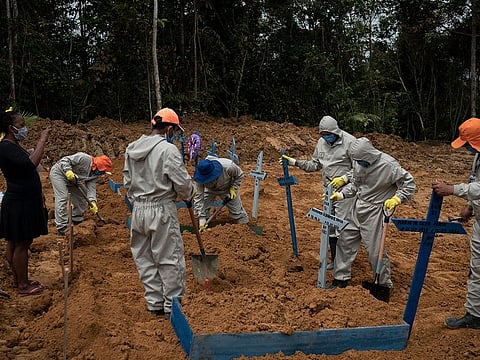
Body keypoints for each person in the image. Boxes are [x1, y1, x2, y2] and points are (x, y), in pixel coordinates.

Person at [123, 107, 194, 319]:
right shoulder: (167, 150)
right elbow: (181, 182)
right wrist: (189, 194)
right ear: (170, 129)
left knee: (144, 257)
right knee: (169, 257)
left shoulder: (132, 148)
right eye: (175, 130)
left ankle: (154, 303)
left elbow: (127, 181)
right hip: (161, 208)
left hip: (139, 209)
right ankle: (173, 306)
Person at [328, 137, 416, 301]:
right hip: (357, 206)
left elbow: (409, 184)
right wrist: (342, 194)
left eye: (361, 160)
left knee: (376, 251)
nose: (359, 164)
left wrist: (397, 199)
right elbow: (355, 183)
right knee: (345, 240)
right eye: (357, 161)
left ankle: (383, 284)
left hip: (376, 210)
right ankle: (340, 279)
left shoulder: (389, 165)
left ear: (370, 155)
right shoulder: (358, 162)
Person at [280, 115, 356, 268]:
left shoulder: (351, 142)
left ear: (336, 132)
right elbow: (314, 164)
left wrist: (345, 179)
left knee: (343, 226)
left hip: (345, 191)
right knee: (330, 225)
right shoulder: (321, 143)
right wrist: (294, 162)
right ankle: (335, 261)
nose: (326, 137)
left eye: (328, 134)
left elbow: (360, 169)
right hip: (328, 190)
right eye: (323, 134)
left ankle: (343, 266)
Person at [432, 117, 480, 329]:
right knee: (476, 269)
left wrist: (452, 189)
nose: (467, 149)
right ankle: (474, 315)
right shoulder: (478, 158)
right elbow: (475, 182)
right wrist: (470, 208)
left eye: (468, 144)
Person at [0, 108, 50, 296]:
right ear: (11, 128)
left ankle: (18, 281)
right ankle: (23, 286)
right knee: (22, 243)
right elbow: (31, 164)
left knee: (14, 242)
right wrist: (42, 140)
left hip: (21, 200)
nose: (24, 128)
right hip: (20, 202)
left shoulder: (11, 146)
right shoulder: (6, 147)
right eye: (21, 125)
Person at [49, 152, 112, 235]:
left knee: (81, 194)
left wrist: (93, 202)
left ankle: (76, 218)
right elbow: (65, 160)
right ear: (97, 167)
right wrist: (68, 170)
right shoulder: (83, 158)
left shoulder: (94, 175)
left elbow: (91, 190)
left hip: (74, 179)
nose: (102, 174)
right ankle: (61, 226)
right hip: (59, 173)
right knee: (62, 197)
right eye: (102, 172)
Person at [193, 156, 249, 230]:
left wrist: (233, 188)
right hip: (209, 190)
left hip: (227, 188)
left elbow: (240, 175)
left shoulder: (229, 167)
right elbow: (199, 196)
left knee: (237, 212)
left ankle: (244, 229)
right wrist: (201, 218)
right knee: (202, 210)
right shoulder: (199, 177)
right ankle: (204, 227)